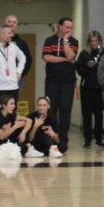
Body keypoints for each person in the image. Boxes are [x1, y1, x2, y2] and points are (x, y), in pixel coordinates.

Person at [42, 17, 78, 153]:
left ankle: (63, 140)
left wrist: (65, 42)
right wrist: (63, 59)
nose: (69, 30)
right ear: (60, 27)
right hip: (51, 82)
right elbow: (46, 57)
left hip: (67, 83)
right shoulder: (49, 41)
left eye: (71, 28)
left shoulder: (73, 41)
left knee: (65, 111)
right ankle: (51, 137)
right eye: (67, 27)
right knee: (51, 110)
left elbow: (71, 56)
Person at [76, 31, 104, 148]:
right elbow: (79, 70)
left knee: (99, 115)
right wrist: (87, 67)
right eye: (92, 41)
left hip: (100, 88)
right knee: (86, 115)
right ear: (89, 42)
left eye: (96, 41)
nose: (94, 43)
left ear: (99, 41)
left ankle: (99, 139)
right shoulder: (84, 54)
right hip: (86, 88)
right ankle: (87, 140)